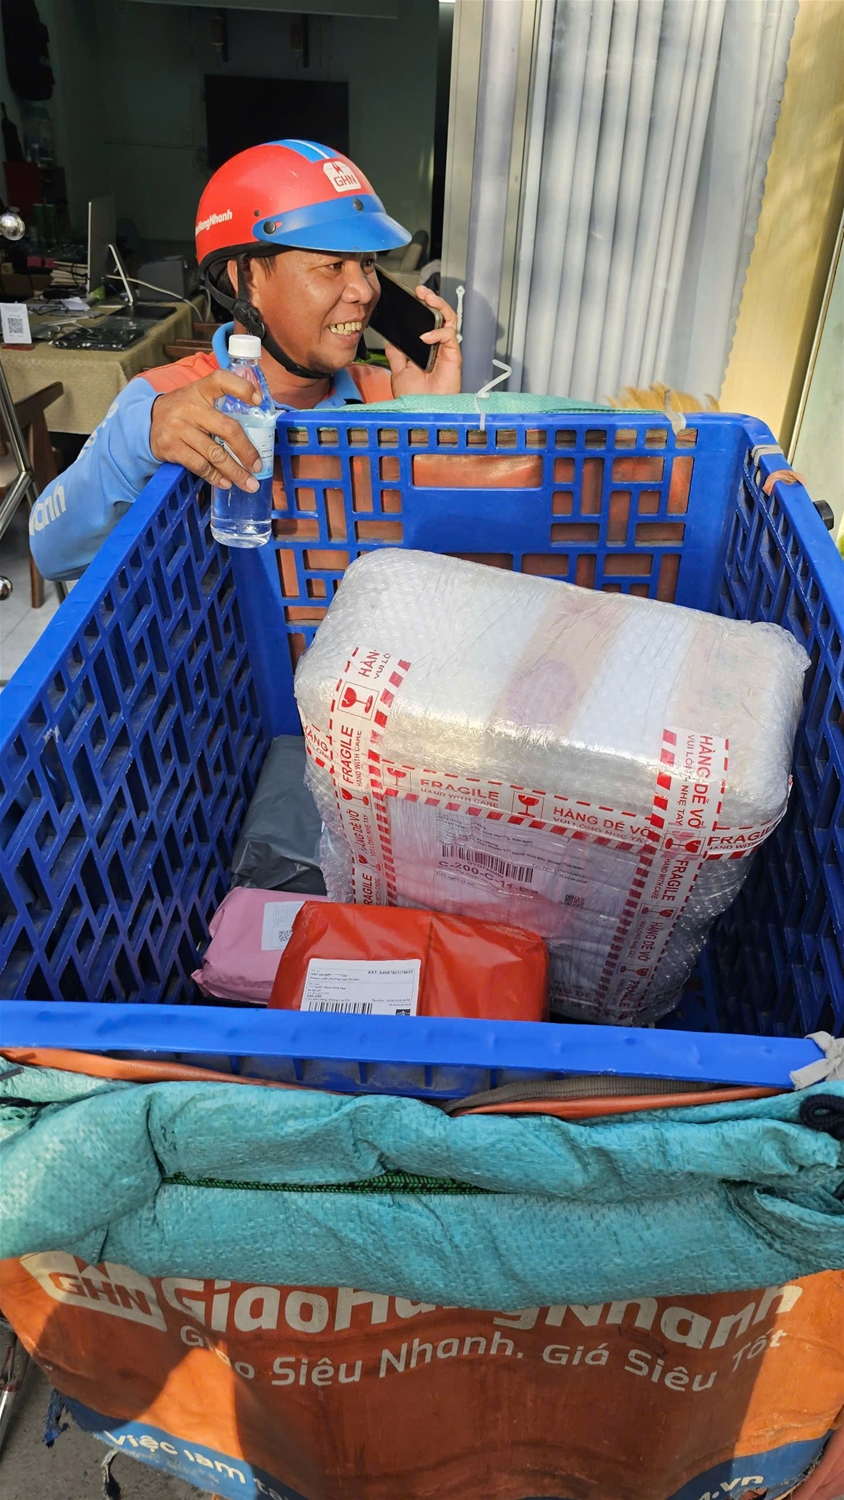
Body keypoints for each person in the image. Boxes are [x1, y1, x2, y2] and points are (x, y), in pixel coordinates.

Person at [29, 140, 461, 580]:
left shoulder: (389, 395)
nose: (365, 291)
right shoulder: (168, 402)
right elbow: (52, 555)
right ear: (245, 278)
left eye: (367, 264)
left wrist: (439, 426)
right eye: (334, 266)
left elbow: (448, 564)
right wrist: (139, 439)